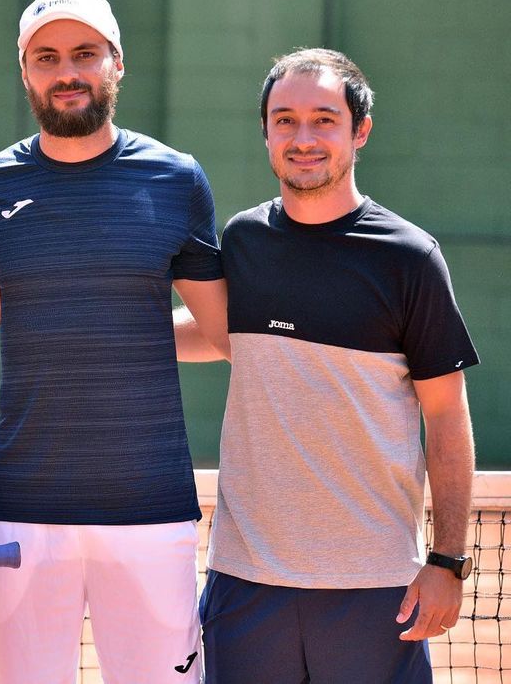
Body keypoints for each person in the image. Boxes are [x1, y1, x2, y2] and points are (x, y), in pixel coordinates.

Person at [0, 0, 229, 683]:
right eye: (46, 57)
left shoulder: (176, 180)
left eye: (85, 53)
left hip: (153, 510)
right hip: (23, 513)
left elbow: (222, 333)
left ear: (118, 63)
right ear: (25, 72)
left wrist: (126, 328)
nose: (67, 72)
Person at [199, 48, 478, 683]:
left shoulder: (410, 259)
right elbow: (222, 335)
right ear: (265, 131)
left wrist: (448, 561)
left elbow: (446, 416)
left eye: (324, 119)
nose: (303, 138)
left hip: (377, 589)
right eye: (285, 119)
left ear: (360, 130)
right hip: (246, 584)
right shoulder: (242, 241)